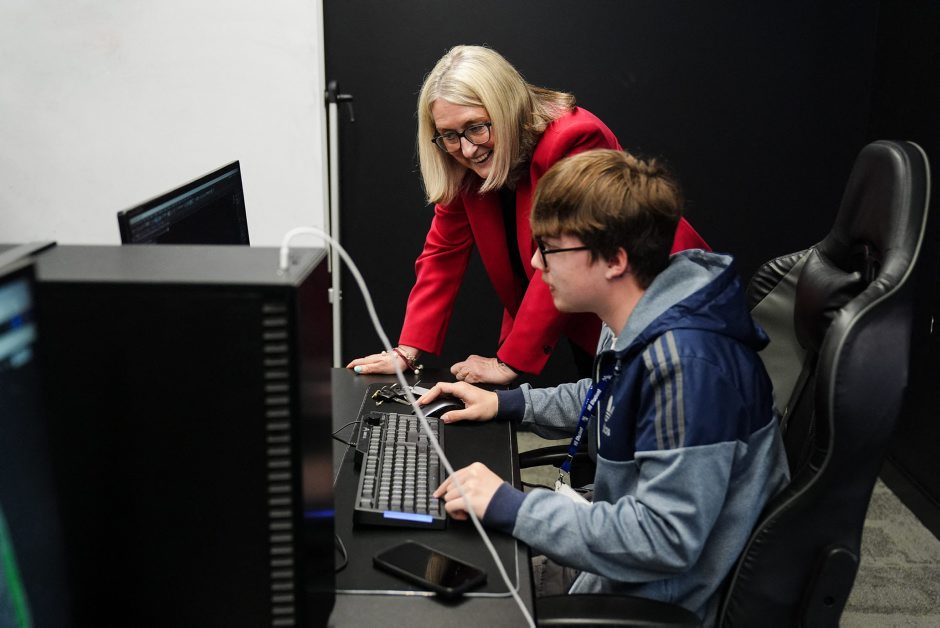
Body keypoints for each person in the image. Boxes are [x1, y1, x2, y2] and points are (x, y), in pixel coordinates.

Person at [420, 149, 790, 622]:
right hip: (609, 566)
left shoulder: (689, 368)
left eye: (550, 249)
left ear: (614, 259)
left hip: (648, 602)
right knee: (445, 562)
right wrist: (505, 403)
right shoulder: (638, 314)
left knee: (440, 608)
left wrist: (514, 507)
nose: (535, 263)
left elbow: (664, 540)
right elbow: (604, 396)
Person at [346, 45, 709, 385]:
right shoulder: (463, 163)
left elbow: (566, 254)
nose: (467, 149)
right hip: (593, 314)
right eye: (449, 135)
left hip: (660, 304)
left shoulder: (574, 138)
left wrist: (509, 363)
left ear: (506, 108)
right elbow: (442, 254)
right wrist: (407, 351)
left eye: (476, 127)